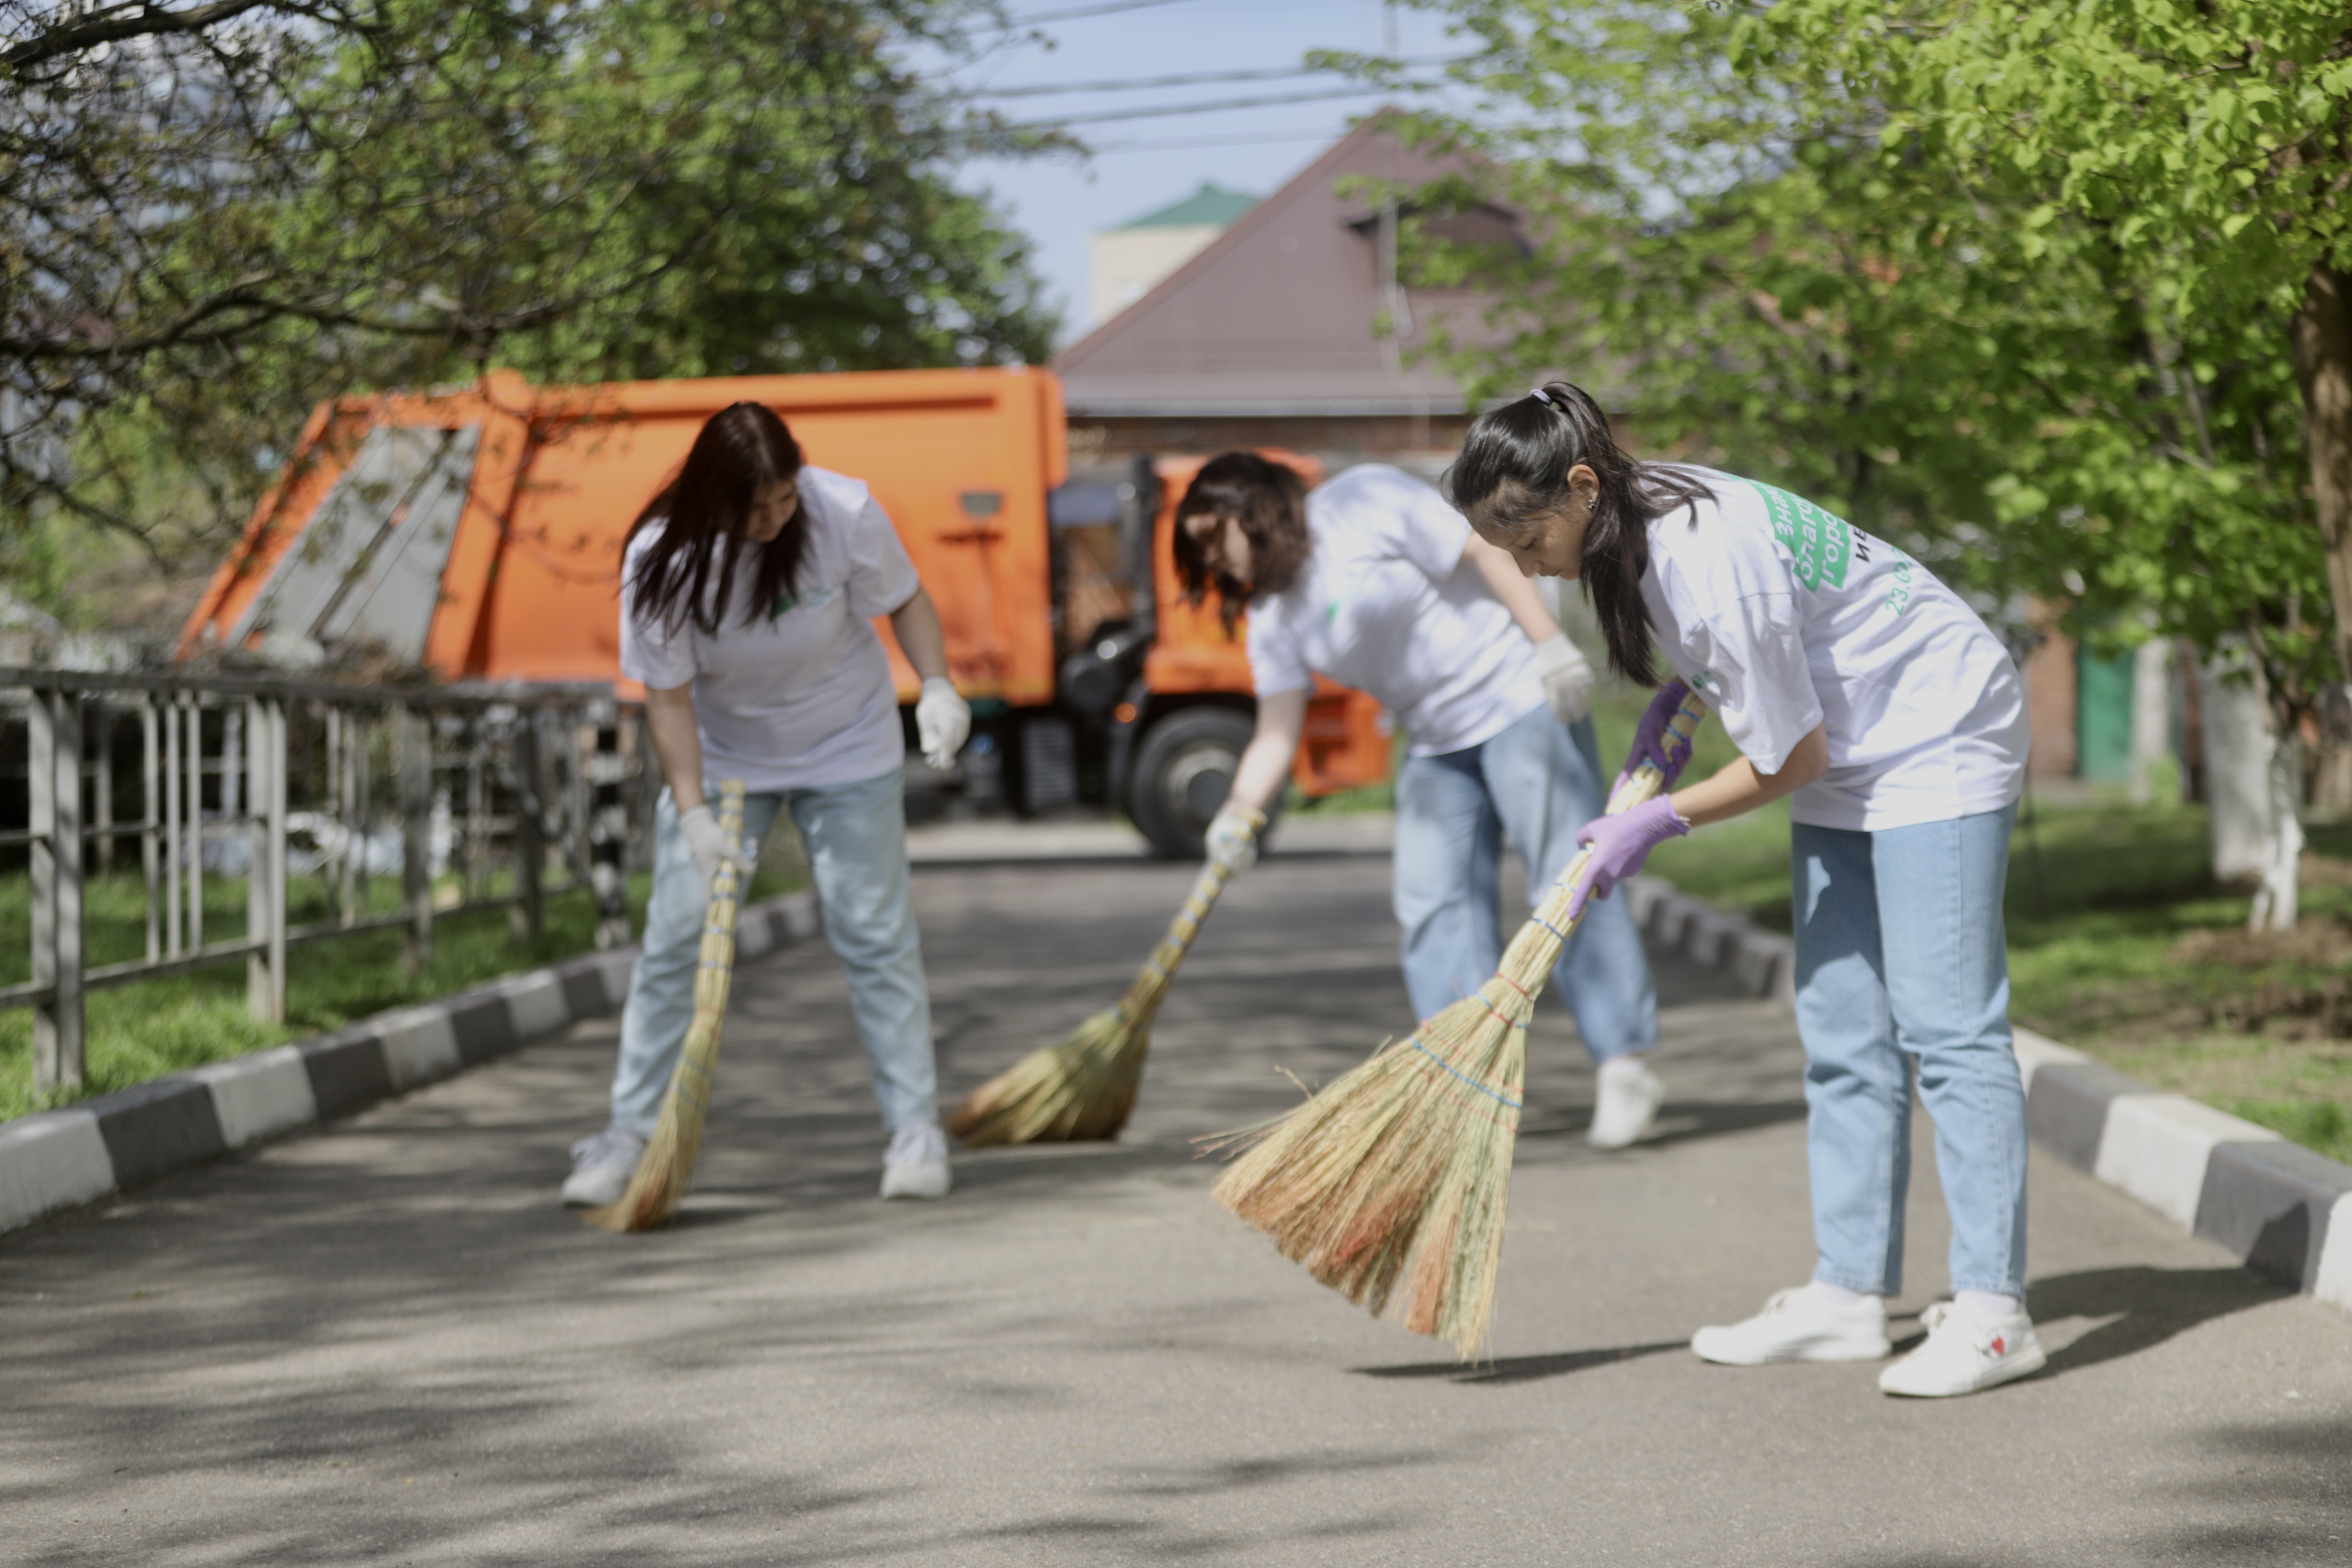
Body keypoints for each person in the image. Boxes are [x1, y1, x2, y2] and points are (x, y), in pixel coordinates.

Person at [1446, 380, 2039, 1398]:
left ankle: (1994, 1314)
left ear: (1582, 487)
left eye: (1526, 536)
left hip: (1936, 732)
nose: (1521, 562)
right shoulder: (1641, 515)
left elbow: (1788, 758)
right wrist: (1681, 700)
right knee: (1843, 1027)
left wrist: (1658, 819)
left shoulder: (1700, 556)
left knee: (1946, 1027)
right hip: (1855, 742)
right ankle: (1851, 1298)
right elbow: (1756, 660)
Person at [1176, 452, 1669, 1149]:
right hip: (1436, 742)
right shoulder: (1271, 615)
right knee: (1432, 906)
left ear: (1253, 508)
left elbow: (1484, 549)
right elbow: (1276, 732)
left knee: (1570, 878)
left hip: (1516, 696)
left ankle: (1625, 1063)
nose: (1213, 562)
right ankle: (1468, 1085)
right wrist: (1238, 813)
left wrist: (1550, 644)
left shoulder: (1358, 502)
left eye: (1211, 539)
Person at [561, 402, 971, 1207]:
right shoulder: (661, 561)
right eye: (753, 507)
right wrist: (694, 814)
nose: (773, 519)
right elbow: (669, 702)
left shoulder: (840, 509)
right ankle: (628, 1133)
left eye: (783, 499)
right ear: (710, 496)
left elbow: (908, 600)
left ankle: (914, 1127)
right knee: (676, 939)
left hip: (847, 745)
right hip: (724, 762)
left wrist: (939, 685)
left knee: (873, 930)